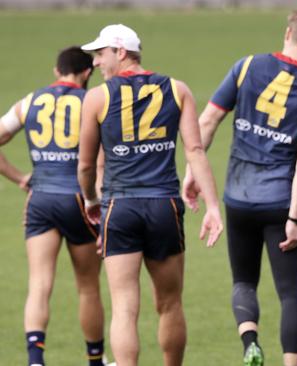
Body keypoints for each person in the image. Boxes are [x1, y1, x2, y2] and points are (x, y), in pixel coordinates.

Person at [182, 8, 297, 366]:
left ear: (286, 33)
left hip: (238, 199)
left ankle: (250, 341)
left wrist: (193, 171)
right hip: (281, 203)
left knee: (244, 282)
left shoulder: (247, 67)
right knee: (290, 293)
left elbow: (208, 120)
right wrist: (295, 218)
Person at [77, 24, 223, 366]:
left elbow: (85, 166)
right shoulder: (177, 89)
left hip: (120, 207)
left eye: (101, 54)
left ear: (121, 52)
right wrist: (213, 207)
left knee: (125, 306)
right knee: (170, 303)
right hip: (164, 208)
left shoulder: (98, 97)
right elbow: (196, 151)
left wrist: (90, 201)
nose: (96, 63)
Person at [0, 47, 107, 366]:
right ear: (87, 73)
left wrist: (20, 178)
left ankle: (35, 361)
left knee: (39, 283)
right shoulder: (90, 101)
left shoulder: (30, 101)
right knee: (88, 287)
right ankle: (95, 361)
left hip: (41, 200)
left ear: (56, 70)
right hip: (79, 201)